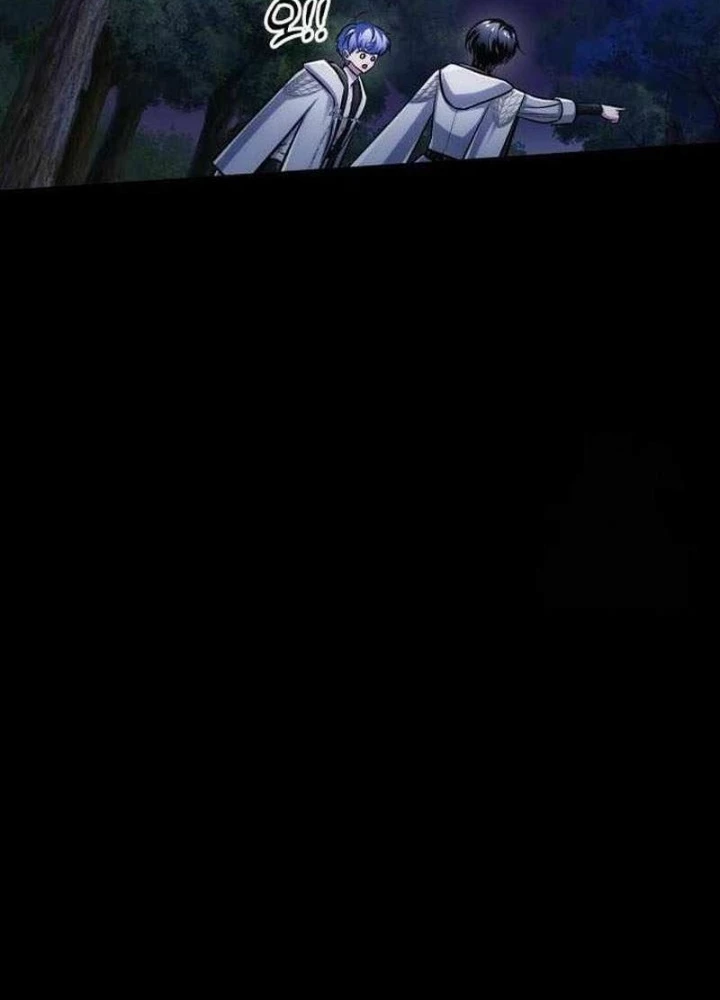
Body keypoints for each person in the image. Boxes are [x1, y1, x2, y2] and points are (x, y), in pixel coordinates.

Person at [352, 18, 624, 167]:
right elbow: (551, 111)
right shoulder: (507, 95)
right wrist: (599, 109)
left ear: (472, 45)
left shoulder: (443, 76)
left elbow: (407, 122)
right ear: (505, 57)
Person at [214, 21, 391, 175]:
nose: (367, 62)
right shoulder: (318, 77)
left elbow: (341, 141)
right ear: (346, 53)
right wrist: (238, 164)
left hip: (318, 161)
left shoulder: (359, 96)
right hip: (283, 159)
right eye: (362, 55)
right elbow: (275, 119)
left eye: (373, 58)